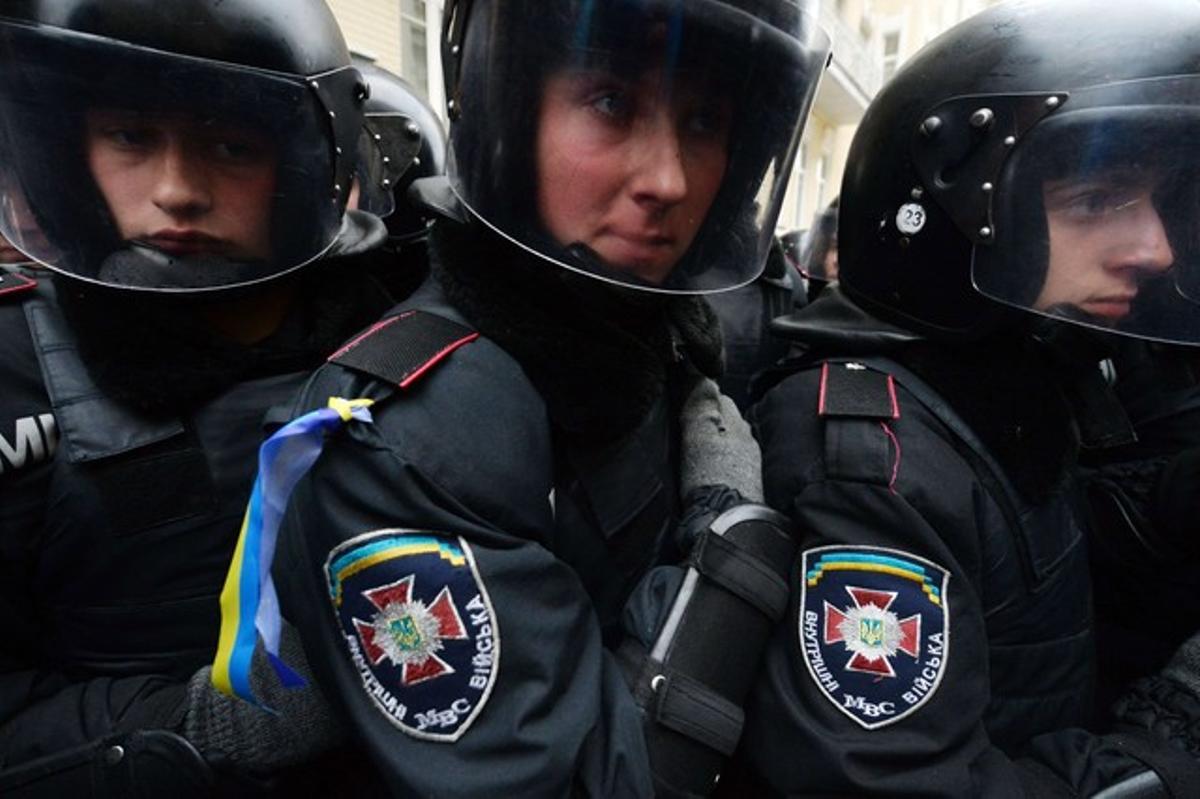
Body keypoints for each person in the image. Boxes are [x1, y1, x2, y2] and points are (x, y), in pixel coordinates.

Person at [229, 0, 830, 796]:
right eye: (611, 102)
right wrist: (726, 557)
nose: (668, 178)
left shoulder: (643, 332)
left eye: (706, 121)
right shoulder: (413, 428)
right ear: (510, 104)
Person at [731, 1, 1200, 795]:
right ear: (958, 218)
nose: (1153, 246)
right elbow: (896, 778)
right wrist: (1174, 729)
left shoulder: (1006, 374)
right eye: (1097, 200)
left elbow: (1036, 548)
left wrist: (1175, 504)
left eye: (1158, 200)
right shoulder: (868, 458)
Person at [0, 1, 414, 795]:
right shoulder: (16, 367)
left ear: (298, 161)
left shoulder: (403, 330)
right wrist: (188, 726)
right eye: (130, 135)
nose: (177, 189)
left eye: (231, 145)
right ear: (64, 147)